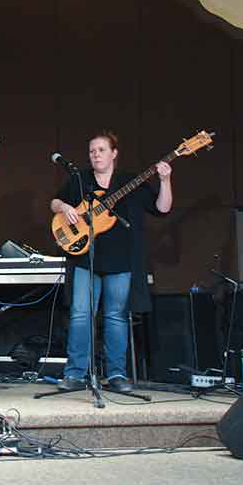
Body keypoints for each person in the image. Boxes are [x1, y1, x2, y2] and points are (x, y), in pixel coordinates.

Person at [50, 130, 172, 393]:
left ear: (114, 153)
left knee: (116, 317)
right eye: (92, 151)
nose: (95, 155)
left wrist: (165, 180)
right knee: (80, 315)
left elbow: (162, 208)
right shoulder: (80, 179)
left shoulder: (130, 181)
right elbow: (55, 202)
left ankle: (116, 374)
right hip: (85, 258)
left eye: (101, 150)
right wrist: (65, 207)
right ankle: (74, 374)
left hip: (121, 260)